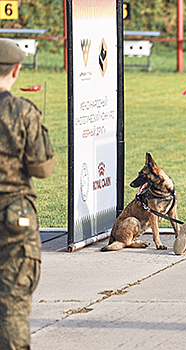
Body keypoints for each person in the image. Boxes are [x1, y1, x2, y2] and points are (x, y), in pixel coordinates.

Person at [0, 39, 56, 349]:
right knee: (12, 301)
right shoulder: (22, 112)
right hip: (12, 218)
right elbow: (42, 168)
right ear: (17, 70)